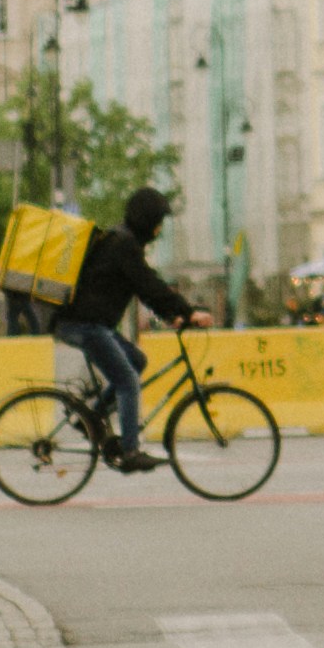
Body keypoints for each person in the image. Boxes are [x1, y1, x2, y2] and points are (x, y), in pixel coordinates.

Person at [49, 187, 204, 472]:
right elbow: (147, 283)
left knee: (137, 360)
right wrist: (187, 311)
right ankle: (130, 452)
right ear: (147, 220)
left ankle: (90, 418)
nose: (159, 229)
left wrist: (171, 314)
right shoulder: (123, 243)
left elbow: (142, 286)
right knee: (128, 381)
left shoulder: (123, 240)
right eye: (158, 221)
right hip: (85, 324)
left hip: (86, 322)